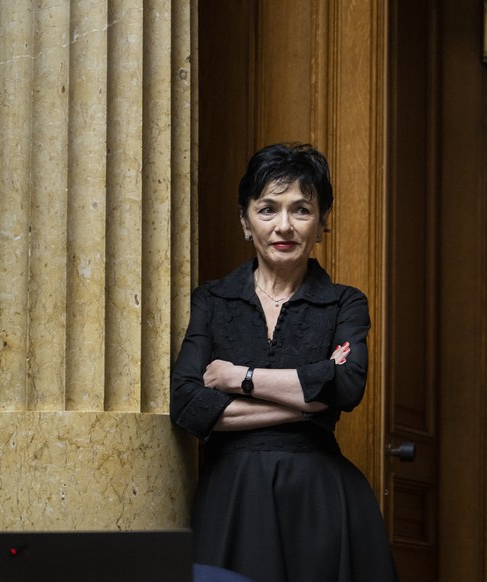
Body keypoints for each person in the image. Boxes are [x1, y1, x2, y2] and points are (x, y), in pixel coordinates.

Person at [170, 143, 399, 582]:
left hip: (320, 501)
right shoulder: (212, 301)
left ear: (322, 222)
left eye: (301, 210)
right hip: (232, 497)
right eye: (268, 209)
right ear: (244, 220)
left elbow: (346, 388)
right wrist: (307, 401)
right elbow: (186, 405)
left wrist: (242, 377)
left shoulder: (344, 303)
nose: (284, 226)